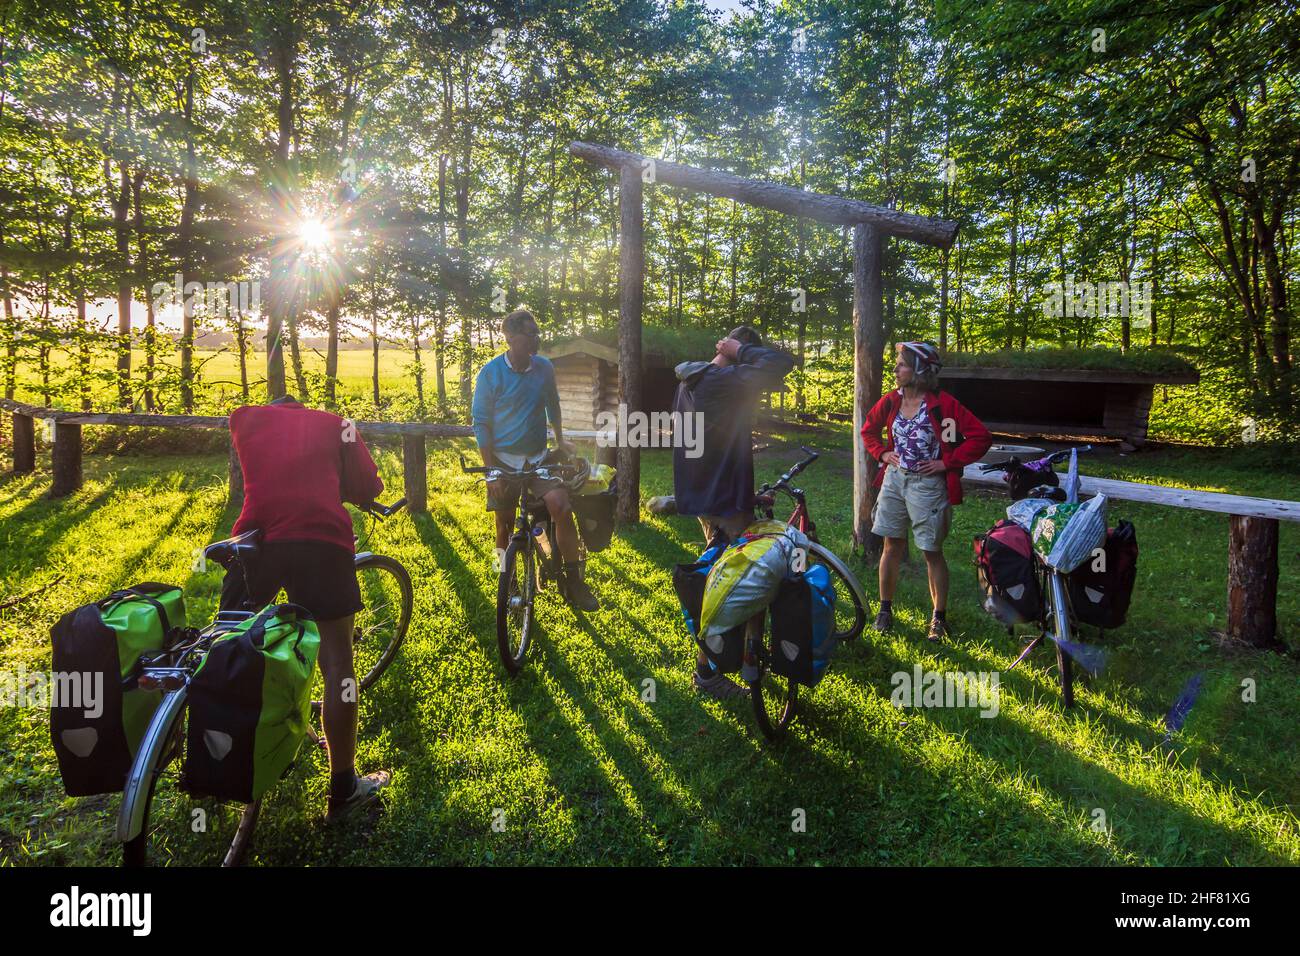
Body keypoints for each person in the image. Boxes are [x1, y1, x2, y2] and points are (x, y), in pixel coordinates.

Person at [221, 393, 391, 821]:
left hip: (253, 546)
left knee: (224, 649)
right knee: (338, 665)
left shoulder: (244, 420)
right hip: (320, 541)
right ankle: (344, 786)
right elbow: (368, 485)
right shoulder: (338, 422)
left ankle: (215, 751)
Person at [672, 326, 796, 697]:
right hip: (724, 500)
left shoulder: (690, 380)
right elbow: (781, 364)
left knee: (723, 579)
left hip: (705, 496)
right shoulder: (723, 380)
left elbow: (711, 442)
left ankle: (742, 659)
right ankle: (712, 671)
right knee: (739, 584)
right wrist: (741, 349)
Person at [861, 342, 991, 642]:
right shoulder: (891, 401)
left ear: (919, 370)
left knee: (931, 551)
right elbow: (868, 429)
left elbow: (980, 436)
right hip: (894, 481)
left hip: (927, 487)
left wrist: (947, 463)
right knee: (891, 544)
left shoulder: (943, 404)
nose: (896, 369)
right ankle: (885, 610)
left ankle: (938, 618)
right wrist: (881, 453)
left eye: (902, 364)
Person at [472, 308, 599, 612]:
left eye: (537, 332)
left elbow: (552, 403)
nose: (537, 338)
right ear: (512, 338)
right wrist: (491, 472)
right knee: (502, 526)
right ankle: (505, 580)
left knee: (561, 506)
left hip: (537, 459)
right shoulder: (490, 373)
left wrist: (559, 438)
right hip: (502, 461)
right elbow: (481, 423)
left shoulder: (544, 368)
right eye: (530, 333)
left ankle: (573, 581)